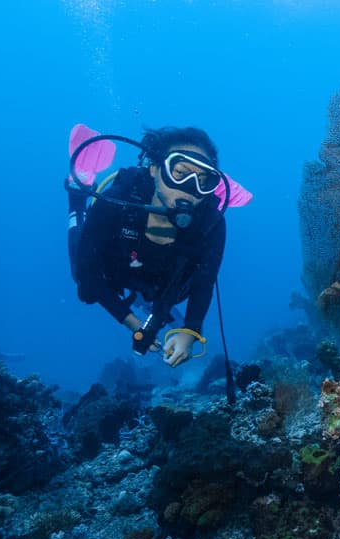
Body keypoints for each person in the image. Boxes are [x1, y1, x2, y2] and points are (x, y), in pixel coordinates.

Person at [67, 126, 227, 368]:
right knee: (84, 287)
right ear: (154, 169)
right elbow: (88, 276)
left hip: (162, 279)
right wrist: (132, 323)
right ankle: (78, 196)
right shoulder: (115, 202)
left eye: (203, 181)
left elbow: (204, 283)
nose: (189, 188)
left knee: (171, 293)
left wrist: (191, 330)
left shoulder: (211, 224)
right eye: (180, 172)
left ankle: (150, 301)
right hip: (116, 267)